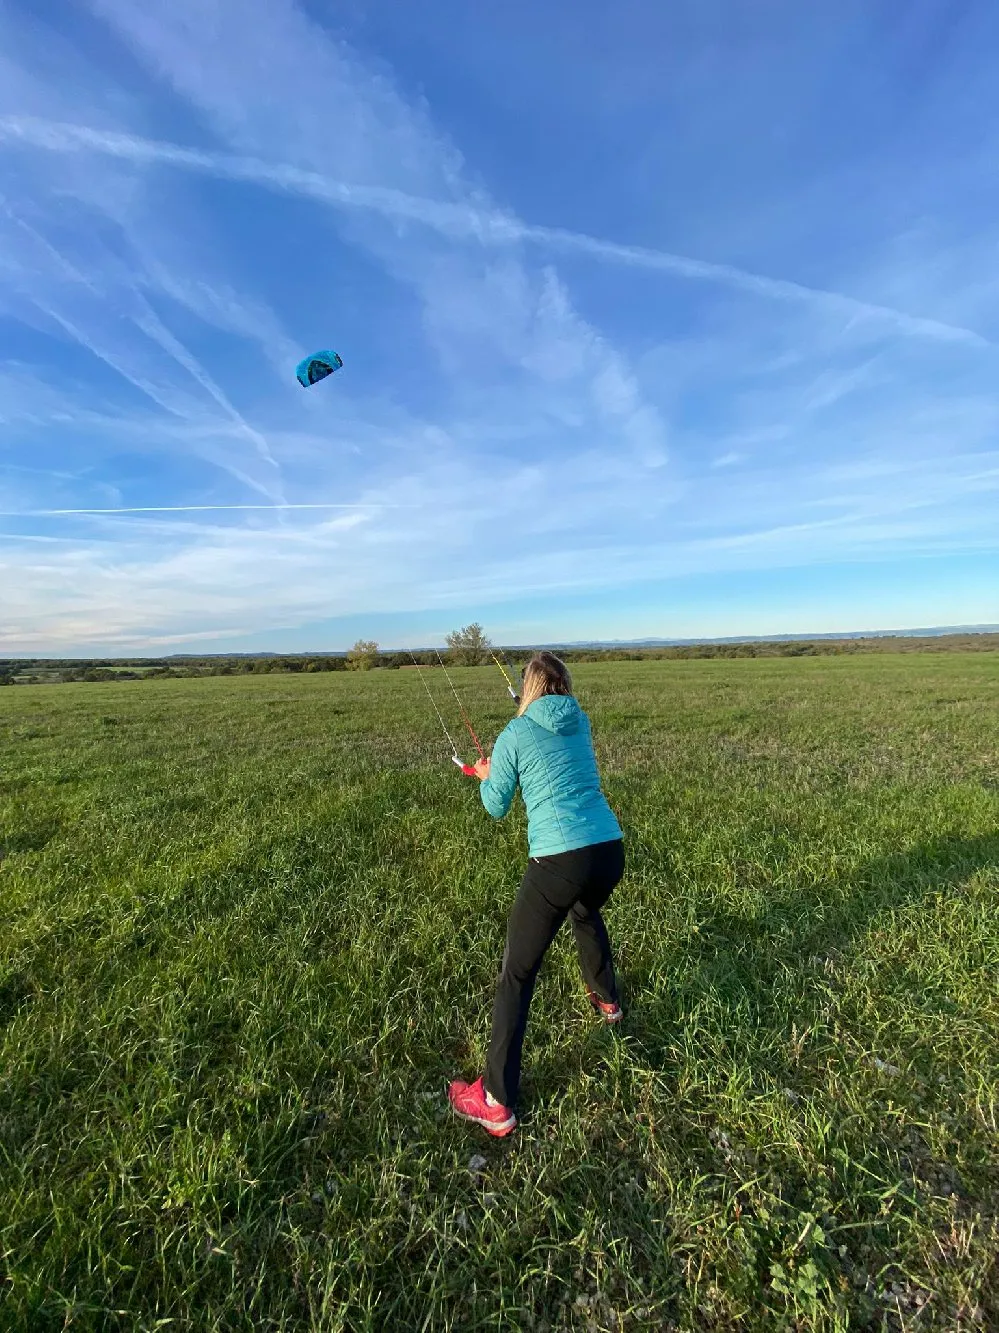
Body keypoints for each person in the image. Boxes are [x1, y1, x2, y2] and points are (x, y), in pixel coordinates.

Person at [448, 651, 625, 1137]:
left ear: (526, 689)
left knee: (517, 972)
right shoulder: (579, 721)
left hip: (560, 859)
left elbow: (496, 807)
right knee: (586, 910)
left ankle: (495, 1100)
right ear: (563, 686)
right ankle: (608, 1001)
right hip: (609, 849)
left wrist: (487, 775)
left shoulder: (515, 734)